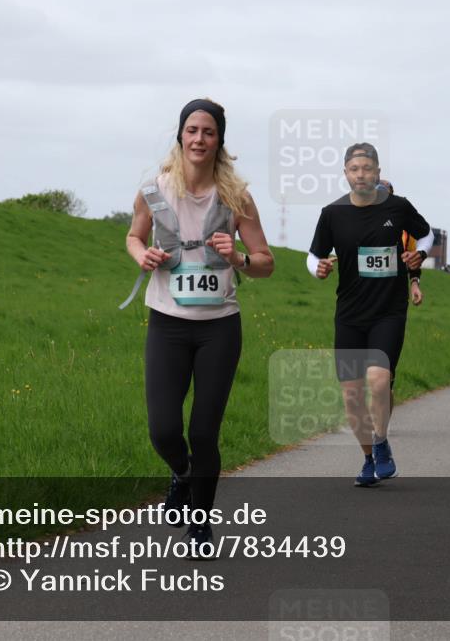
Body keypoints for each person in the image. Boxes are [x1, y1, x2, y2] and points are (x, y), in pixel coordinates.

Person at [126, 98, 274, 557]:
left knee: (205, 432)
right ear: (180, 135)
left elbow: (265, 263)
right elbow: (134, 235)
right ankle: (182, 473)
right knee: (164, 430)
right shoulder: (154, 189)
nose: (199, 139)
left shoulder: (236, 198)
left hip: (219, 327)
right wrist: (141, 255)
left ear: (219, 141)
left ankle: (200, 527)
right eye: (192, 130)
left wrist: (238, 258)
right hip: (167, 323)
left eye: (208, 132)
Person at [308, 143, 432, 486]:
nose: (360, 175)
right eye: (353, 169)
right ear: (346, 174)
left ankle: (380, 442)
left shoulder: (398, 206)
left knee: (379, 380)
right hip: (348, 313)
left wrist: (417, 257)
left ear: (377, 172)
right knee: (351, 393)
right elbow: (313, 254)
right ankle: (368, 458)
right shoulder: (332, 213)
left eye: (367, 169)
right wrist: (316, 268)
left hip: (388, 311)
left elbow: (426, 235)